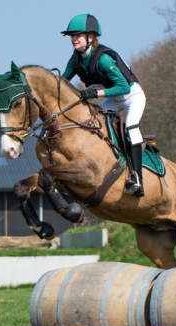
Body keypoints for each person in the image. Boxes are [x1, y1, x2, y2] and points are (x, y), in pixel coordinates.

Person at [61, 14, 147, 198]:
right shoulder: (75, 59)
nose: (73, 39)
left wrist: (95, 93)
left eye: (77, 35)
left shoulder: (103, 59)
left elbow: (123, 86)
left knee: (131, 128)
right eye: (71, 36)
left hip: (132, 96)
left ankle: (137, 178)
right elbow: (62, 82)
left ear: (91, 37)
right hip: (114, 98)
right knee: (92, 120)